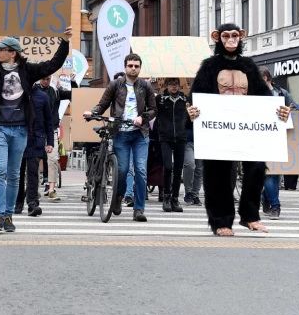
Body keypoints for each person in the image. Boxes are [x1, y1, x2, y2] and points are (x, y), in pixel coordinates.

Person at [0, 26, 72, 232]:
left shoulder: (28, 71)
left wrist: (64, 41)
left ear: (12, 53)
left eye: (0, 49)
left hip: (20, 130)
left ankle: (8, 216)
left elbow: (53, 64)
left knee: (14, 174)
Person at [186, 23, 291, 236]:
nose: (231, 40)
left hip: (247, 129)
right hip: (217, 128)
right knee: (218, 174)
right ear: (218, 38)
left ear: (242, 37)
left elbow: (265, 98)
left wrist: (279, 113)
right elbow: (195, 95)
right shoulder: (209, 66)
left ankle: (250, 216)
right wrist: (192, 112)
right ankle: (220, 220)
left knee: (257, 168)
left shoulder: (249, 66)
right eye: (226, 36)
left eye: (235, 35)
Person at [85, 53, 157, 222]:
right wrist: (93, 112)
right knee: (123, 170)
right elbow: (103, 104)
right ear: (125, 67)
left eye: (136, 66)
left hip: (140, 134)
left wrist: (143, 117)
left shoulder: (145, 86)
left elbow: (154, 109)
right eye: (130, 65)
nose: (133, 68)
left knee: (140, 170)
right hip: (121, 133)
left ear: (140, 68)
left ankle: (138, 209)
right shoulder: (115, 85)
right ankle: (118, 196)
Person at [259, 66, 295, 220]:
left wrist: (289, 111)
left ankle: (265, 198)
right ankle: (275, 206)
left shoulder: (281, 93)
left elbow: (296, 108)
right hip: (261, 138)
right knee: (268, 175)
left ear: (265, 78)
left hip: (280, 137)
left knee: (276, 176)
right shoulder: (254, 94)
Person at [15, 88, 55, 216]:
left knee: (33, 172)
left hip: (35, 139)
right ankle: (18, 202)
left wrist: (50, 142)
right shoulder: (16, 93)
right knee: (17, 173)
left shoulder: (42, 96)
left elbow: (49, 121)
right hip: (18, 138)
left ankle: (32, 203)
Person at [32, 74, 72, 200]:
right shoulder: (33, 90)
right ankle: (35, 189)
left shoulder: (55, 91)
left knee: (53, 159)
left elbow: (73, 95)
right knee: (34, 160)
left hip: (51, 129)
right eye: (43, 78)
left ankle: (51, 189)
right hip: (35, 130)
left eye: (48, 79)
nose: (46, 81)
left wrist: (72, 82)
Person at [154, 77, 188, 213]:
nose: (174, 87)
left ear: (179, 86)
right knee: (168, 167)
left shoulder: (185, 100)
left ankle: (175, 198)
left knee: (178, 169)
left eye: (176, 84)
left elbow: (192, 116)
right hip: (166, 138)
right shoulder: (161, 100)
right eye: (171, 84)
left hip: (181, 137)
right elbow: (153, 112)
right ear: (166, 86)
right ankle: (166, 196)